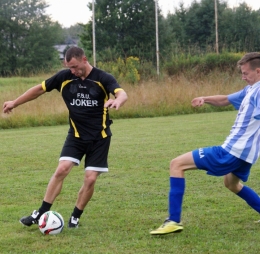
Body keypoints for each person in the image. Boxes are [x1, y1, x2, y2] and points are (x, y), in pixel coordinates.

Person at [3, 46, 128, 228]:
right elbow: (39, 89)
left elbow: (121, 93)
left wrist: (117, 101)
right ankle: (41, 213)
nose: (73, 71)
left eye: (76, 67)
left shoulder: (102, 78)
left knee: (91, 178)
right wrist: (14, 102)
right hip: (76, 136)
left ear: (84, 59)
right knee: (62, 169)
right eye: (70, 67)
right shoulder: (65, 77)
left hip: (99, 138)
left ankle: (75, 217)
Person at [150, 52, 260, 235]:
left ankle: (173, 221)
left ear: (258, 71)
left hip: (232, 151)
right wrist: (205, 98)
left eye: (245, 73)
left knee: (176, 164)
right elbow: (226, 99)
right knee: (232, 184)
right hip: (246, 154)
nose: (242, 76)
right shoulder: (250, 89)